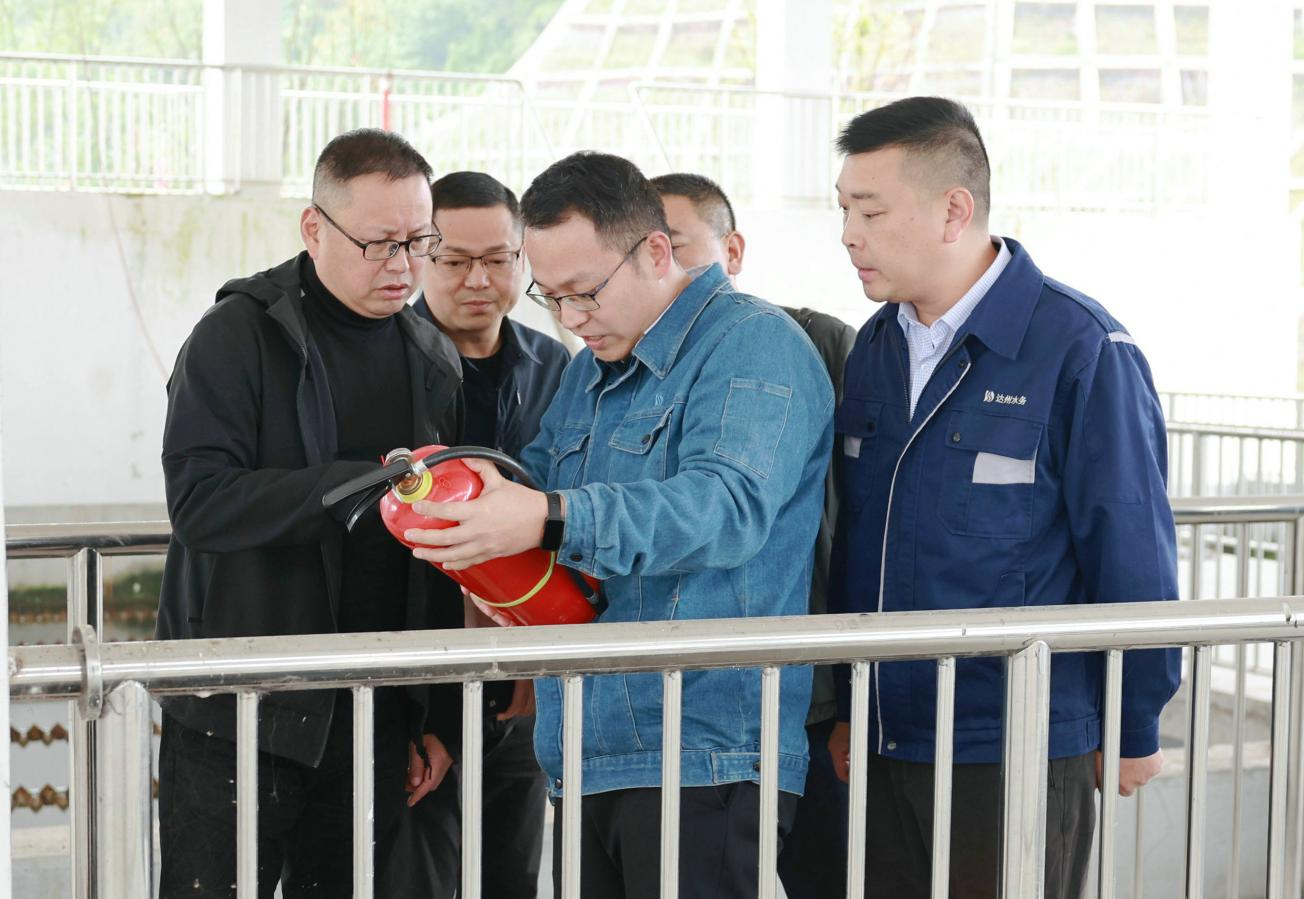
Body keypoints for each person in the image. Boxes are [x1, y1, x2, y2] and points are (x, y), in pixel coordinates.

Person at [402, 151, 835, 898]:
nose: (571, 319)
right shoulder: (590, 368)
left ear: (657, 252)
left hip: (702, 748)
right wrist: (470, 506)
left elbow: (726, 507)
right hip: (582, 741)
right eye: (551, 298)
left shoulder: (753, 344)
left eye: (586, 293)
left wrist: (549, 516)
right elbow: (535, 483)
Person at [826, 96, 1182, 899]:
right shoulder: (876, 346)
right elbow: (859, 546)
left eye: (871, 211)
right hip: (885, 736)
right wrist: (851, 702)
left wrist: (1131, 721)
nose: (848, 233)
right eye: (842, 209)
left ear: (954, 211)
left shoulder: (1079, 348)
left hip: (1013, 741)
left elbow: (1129, 549)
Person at [155, 128, 461, 897]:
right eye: (379, 243)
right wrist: (354, 486)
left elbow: (430, 554)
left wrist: (431, 712)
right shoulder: (236, 337)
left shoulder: (431, 357)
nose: (402, 265)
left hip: (371, 711)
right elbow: (199, 502)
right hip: (240, 708)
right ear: (314, 228)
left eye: (419, 242)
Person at [652, 171, 854, 899]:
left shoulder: (812, 343)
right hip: (688, 709)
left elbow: (851, 522)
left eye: (674, 247)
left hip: (811, 689)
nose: (657, 270)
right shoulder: (614, 367)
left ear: (731, 250)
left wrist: (849, 696)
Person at [397, 170, 569, 898]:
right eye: (454, 260)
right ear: (420, 255)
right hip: (415, 669)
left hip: (517, 672)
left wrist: (532, 658)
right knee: (416, 874)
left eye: (498, 259)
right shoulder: (388, 360)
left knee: (513, 871)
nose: (478, 279)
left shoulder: (555, 365)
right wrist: (415, 705)